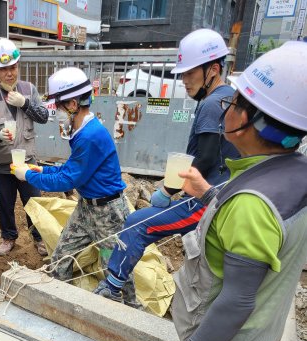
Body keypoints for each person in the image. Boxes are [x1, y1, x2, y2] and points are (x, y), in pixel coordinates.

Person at [152, 41, 307, 341]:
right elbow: (263, 226)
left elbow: (237, 300)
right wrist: (210, 192)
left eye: (235, 103)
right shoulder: (292, 171)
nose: (227, 108)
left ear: (257, 123)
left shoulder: (252, 206)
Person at [95, 29, 239, 305]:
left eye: (189, 73)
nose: (183, 80)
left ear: (213, 69)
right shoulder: (227, 97)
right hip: (219, 197)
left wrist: (167, 191)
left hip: (207, 204)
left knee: (137, 223)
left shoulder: (211, 104)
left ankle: (111, 289)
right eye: (182, 74)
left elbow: (204, 160)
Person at [11, 67, 128, 282]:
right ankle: (57, 295)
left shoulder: (90, 135)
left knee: (114, 269)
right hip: (87, 207)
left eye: (58, 105)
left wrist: (28, 176)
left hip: (108, 213)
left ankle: (128, 308)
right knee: (61, 256)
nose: (55, 111)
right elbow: (72, 168)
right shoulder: (83, 130)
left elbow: (68, 179)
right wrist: (43, 169)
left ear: (73, 104)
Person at [0, 38, 49, 257]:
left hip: (27, 160)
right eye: (3, 69)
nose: (9, 73)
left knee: (33, 201)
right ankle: (8, 237)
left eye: (13, 67)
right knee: (4, 204)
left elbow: (44, 116)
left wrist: (25, 104)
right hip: (1, 163)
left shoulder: (29, 89)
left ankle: (38, 237)